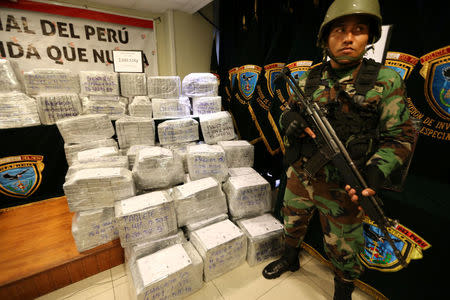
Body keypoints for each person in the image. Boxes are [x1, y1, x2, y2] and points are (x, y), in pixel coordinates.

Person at [262, 0, 416, 299]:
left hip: (344, 184)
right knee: (291, 220)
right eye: (340, 30)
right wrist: (289, 119)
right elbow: (287, 112)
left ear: (369, 37)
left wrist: (374, 172)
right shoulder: (309, 77)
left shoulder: (385, 80)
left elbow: (400, 136)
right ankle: (290, 258)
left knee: (345, 245)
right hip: (301, 172)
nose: (349, 38)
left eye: (358, 30)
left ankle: (343, 289)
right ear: (325, 37)